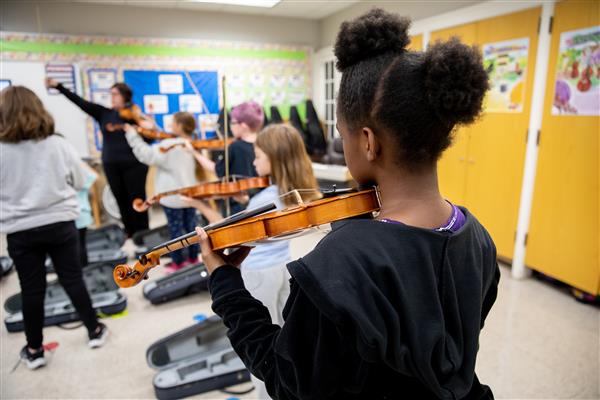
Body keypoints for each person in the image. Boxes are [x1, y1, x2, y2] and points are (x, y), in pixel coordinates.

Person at [195, 9, 499, 400]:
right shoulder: (477, 238)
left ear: (369, 142)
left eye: (342, 134)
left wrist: (226, 286)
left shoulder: (339, 265)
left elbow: (288, 381)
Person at [185, 123, 318, 399]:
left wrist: (199, 205)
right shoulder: (289, 191)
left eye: (258, 155)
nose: (253, 161)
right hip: (282, 269)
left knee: (261, 351)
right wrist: (247, 201)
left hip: (258, 275)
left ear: (275, 158)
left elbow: (219, 237)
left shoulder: (265, 198)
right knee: (283, 339)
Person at [0, 86, 108, 370]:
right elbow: (81, 180)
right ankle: (94, 331)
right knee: (72, 279)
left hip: (20, 230)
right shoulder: (57, 143)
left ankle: (35, 350)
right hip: (60, 223)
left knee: (31, 290)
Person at [45, 78, 150, 237]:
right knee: (120, 200)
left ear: (125, 96)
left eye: (115, 94)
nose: (112, 97)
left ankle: (144, 235)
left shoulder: (135, 116)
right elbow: (80, 102)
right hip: (111, 164)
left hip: (134, 165)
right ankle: (131, 234)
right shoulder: (104, 113)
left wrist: (143, 124)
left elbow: (150, 139)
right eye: (111, 94)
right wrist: (59, 87)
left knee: (138, 201)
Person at [124, 112, 206, 272]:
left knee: (175, 231)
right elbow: (168, 142)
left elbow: (147, 155)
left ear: (180, 126)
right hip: (191, 196)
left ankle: (178, 263)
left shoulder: (170, 146)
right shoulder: (190, 142)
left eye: (173, 123)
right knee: (191, 227)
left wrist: (132, 136)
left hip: (173, 197)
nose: (170, 126)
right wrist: (155, 128)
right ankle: (193, 258)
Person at [191, 101, 263, 214]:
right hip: (261, 202)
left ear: (243, 125)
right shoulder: (264, 143)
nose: (230, 126)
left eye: (233, 123)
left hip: (237, 205)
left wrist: (194, 153)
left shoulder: (235, 147)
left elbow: (217, 170)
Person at [76, 162, 99, 267]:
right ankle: (85, 271)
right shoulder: (78, 176)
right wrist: (80, 163)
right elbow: (94, 175)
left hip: (67, 216)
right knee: (81, 245)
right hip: (82, 214)